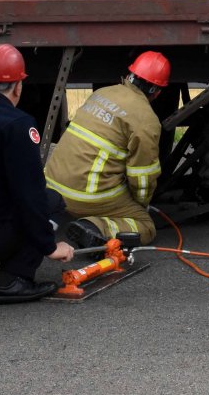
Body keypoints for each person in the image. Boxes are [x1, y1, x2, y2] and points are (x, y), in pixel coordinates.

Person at [0, 44, 75, 304]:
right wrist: (50, 247)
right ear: (18, 87)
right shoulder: (16, 124)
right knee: (50, 202)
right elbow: (30, 195)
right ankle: (12, 280)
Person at [44, 51, 170, 249]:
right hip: (85, 196)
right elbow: (142, 175)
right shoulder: (146, 119)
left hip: (53, 187)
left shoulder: (102, 93)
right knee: (146, 226)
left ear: (130, 75)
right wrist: (141, 204)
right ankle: (94, 227)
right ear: (157, 91)